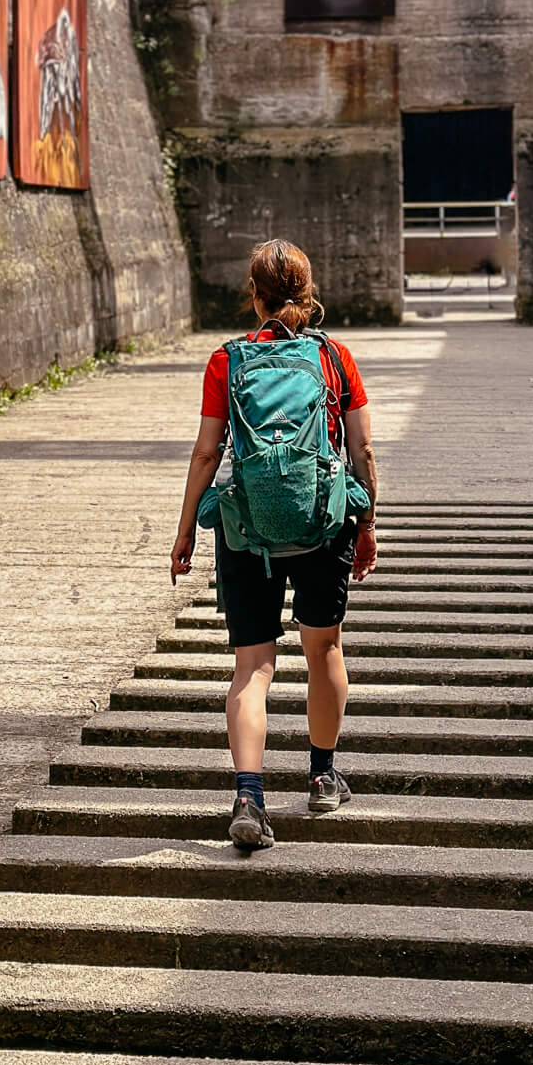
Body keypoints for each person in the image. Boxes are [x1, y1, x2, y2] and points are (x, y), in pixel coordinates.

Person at [169, 239, 378, 849]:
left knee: (252, 668)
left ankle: (249, 798)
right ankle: (320, 777)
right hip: (323, 523)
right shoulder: (335, 358)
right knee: (324, 651)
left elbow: (208, 452)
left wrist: (185, 531)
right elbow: (361, 451)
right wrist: (366, 524)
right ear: (307, 297)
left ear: (254, 296)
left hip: (246, 530)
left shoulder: (227, 361)